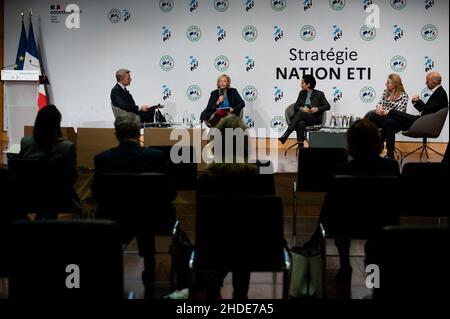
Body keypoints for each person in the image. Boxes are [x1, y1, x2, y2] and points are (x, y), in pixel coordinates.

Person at [92, 113, 176, 296]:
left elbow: (96, 194)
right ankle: (150, 264)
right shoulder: (156, 157)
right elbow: (170, 193)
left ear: (116, 134)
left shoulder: (102, 159)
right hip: (153, 219)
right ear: (139, 133)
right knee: (145, 215)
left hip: (113, 219)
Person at [306, 119, 400, 283]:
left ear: (351, 143)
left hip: (345, 226)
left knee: (340, 223)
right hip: (381, 225)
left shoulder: (341, 169)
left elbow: (330, 207)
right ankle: (375, 281)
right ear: (377, 141)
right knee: (375, 242)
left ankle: (344, 266)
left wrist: (316, 235)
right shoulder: (391, 167)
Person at [197, 115, 256, 299]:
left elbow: (202, 221)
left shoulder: (206, 179)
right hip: (250, 247)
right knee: (243, 242)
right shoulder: (257, 177)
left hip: (213, 245)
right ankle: (240, 296)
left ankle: (213, 285)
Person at [19, 104, 80, 215]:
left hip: (31, 198)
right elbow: (72, 178)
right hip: (60, 200)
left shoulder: (25, 143)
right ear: (57, 125)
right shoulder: (67, 147)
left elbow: (20, 174)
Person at [381, 71, 448, 158]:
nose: (425, 83)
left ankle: (379, 143)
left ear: (434, 82)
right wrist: (416, 102)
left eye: (427, 81)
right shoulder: (439, 92)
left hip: (423, 123)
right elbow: (427, 110)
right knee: (389, 122)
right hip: (422, 121)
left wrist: (418, 101)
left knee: (392, 112)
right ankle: (390, 155)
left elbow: (427, 111)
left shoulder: (440, 93)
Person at [278, 74, 330, 147]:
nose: (300, 85)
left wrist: (317, 109)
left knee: (301, 114)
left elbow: (328, 106)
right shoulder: (301, 93)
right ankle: (301, 147)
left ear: (308, 84)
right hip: (302, 118)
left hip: (314, 118)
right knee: (300, 122)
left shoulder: (319, 94)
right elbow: (296, 107)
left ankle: (286, 134)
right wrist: (301, 108)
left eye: (302, 83)